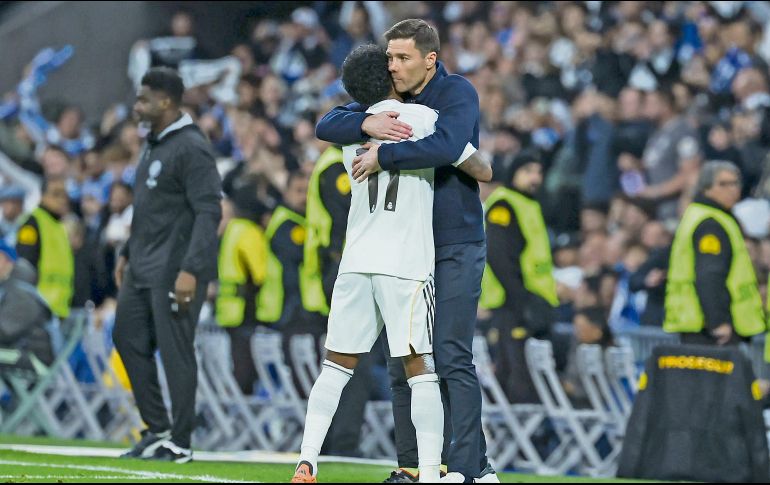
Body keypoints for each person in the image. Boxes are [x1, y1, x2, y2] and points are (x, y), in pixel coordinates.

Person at [292, 44, 491, 484]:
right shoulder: (423, 119)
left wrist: (366, 127)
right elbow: (480, 168)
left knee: (335, 367)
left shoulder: (348, 131)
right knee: (421, 371)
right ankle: (429, 472)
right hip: (404, 264)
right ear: (388, 74)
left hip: (355, 262)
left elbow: (327, 123)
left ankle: (307, 460)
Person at [112, 67, 222, 463]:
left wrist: (192, 269)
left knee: (176, 352)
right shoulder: (154, 143)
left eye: (144, 100)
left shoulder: (191, 147)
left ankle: (181, 440)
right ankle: (157, 428)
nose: (137, 106)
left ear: (166, 102)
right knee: (126, 337)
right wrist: (127, 251)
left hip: (175, 270)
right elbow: (150, 209)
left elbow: (209, 211)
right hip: (142, 265)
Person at [479, 151, 558, 404]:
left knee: (521, 373)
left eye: (538, 172)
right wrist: (520, 298)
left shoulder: (529, 204)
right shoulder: (504, 204)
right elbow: (499, 255)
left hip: (532, 300)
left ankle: (513, 426)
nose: (535, 178)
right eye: (528, 171)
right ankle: (517, 427)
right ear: (513, 173)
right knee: (518, 375)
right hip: (513, 303)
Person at [664, 161, 766, 347]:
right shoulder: (711, 224)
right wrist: (718, 321)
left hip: (699, 324)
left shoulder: (700, 215)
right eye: (724, 184)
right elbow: (710, 274)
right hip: (710, 329)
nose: (733, 189)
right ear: (706, 188)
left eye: (736, 183)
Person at [215, 192, 268, 395]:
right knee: (242, 364)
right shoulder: (243, 232)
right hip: (241, 310)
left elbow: (256, 272)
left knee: (240, 363)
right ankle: (243, 402)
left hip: (237, 309)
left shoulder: (238, 231)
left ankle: (241, 402)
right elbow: (259, 273)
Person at [15, 177, 74, 320]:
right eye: (56, 194)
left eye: (64, 195)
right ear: (43, 196)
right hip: (38, 309)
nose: (62, 200)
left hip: (59, 309)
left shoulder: (59, 226)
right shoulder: (32, 223)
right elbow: (25, 266)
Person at [0, 239, 54, 367]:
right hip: (18, 352)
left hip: (34, 359)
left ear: (7, 260)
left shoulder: (21, 294)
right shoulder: (10, 287)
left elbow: (4, 331)